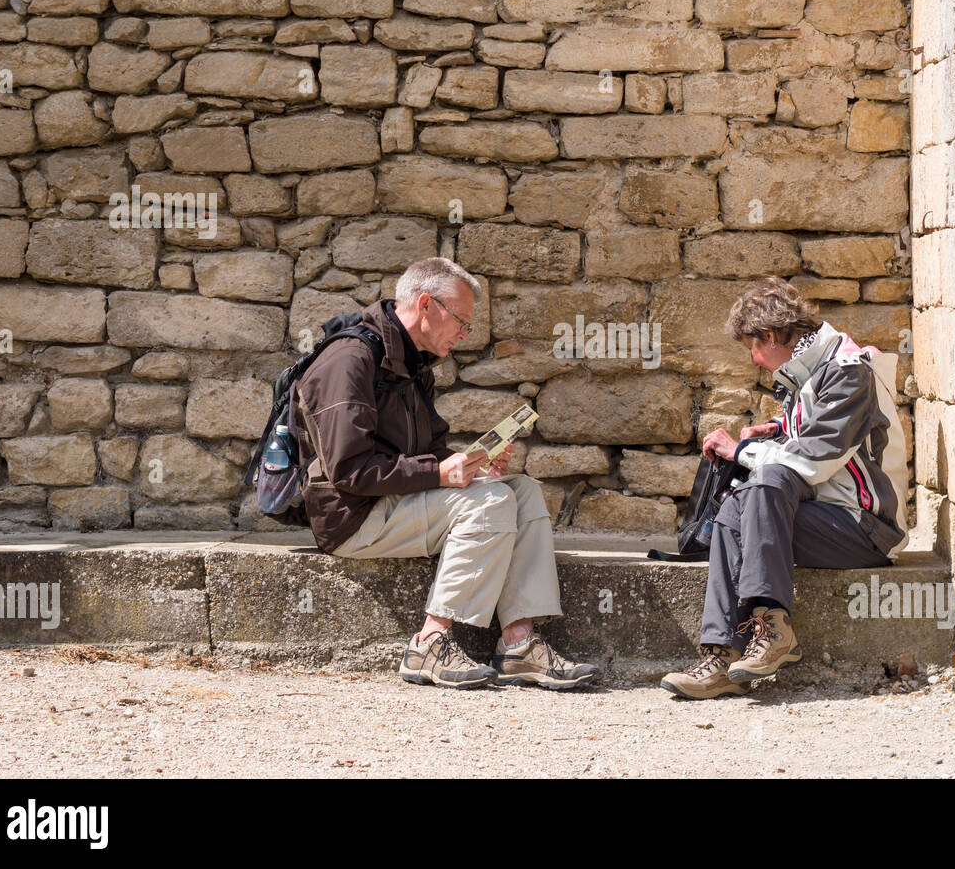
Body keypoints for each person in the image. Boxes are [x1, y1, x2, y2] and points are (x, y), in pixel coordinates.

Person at [290, 257, 601, 691]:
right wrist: (440, 474)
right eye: (461, 321)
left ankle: (518, 645)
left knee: (522, 489)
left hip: (394, 502)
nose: (464, 334)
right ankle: (429, 643)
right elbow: (349, 469)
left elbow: (428, 453)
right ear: (425, 304)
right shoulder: (349, 360)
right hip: (354, 517)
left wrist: (469, 466)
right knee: (491, 501)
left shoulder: (412, 363)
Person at [661, 278, 909, 699]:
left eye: (752, 348)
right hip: (824, 515)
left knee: (766, 480)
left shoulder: (849, 371)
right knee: (734, 508)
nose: (755, 360)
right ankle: (722, 653)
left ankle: (773, 627)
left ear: (772, 336)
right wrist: (775, 430)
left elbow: (813, 460)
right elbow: (819, 433)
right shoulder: (813, 369)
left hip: (865, 530)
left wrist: (740, 451)